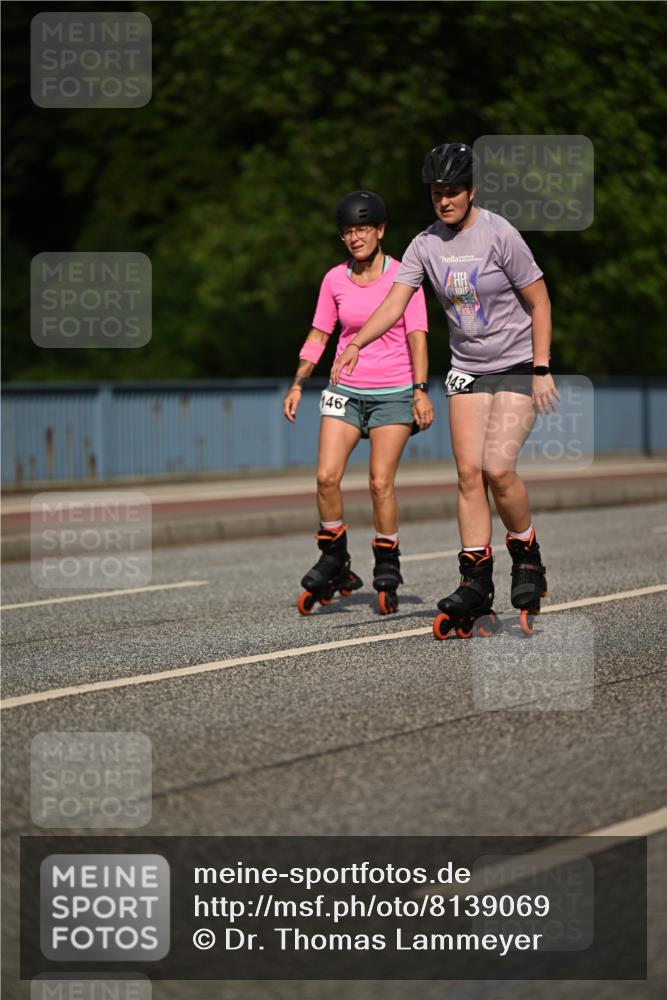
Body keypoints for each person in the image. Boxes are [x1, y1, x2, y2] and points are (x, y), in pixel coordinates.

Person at [332, 144, 560, 636]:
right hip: (467, 369)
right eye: (437, 193)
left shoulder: (500, 234)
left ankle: (527, 554)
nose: (445, 201)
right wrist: (356, 343)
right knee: (468, 474)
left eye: (453, 192)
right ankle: (475, 581)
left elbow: (540, 303)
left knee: (499, 469)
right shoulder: (424, 245)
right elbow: (393, 305)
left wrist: (542, 367)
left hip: (518, 363)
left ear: (471, 189)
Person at [284, 190, 433, 616]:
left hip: (393, 391)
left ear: (380, 230)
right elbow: (319, 335)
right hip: (344, 391)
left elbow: (417, 336)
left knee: (379, 482)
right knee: (326, 476)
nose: (355, 238)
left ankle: (387, 561)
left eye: (363, 229)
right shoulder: (334, 280)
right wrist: (298, 383)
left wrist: (420, 390)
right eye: (348, 232)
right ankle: (335, 557)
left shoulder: (405, 275)